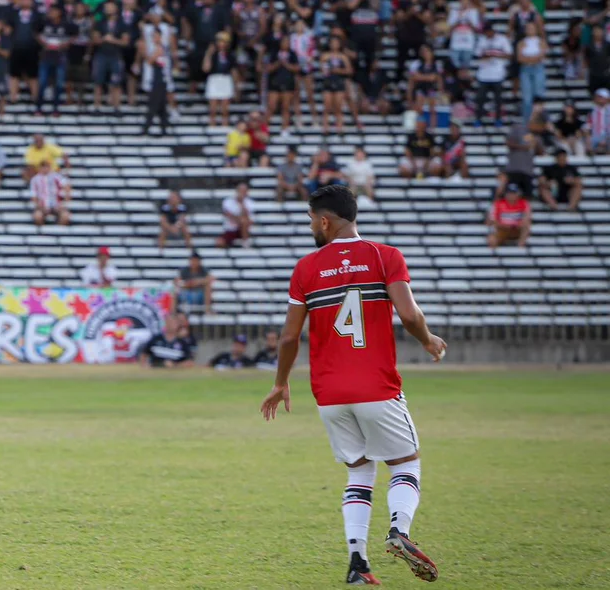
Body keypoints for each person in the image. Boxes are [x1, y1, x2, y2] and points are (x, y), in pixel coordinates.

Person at [261, 183, 445, 585]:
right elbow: (410, 315)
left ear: (325, 221)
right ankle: (399, 530)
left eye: (312, 219)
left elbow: (290, 337)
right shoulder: (385, 256)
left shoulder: (306, 268)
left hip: (329, 394)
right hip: (376, 386)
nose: (311, 225)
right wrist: (428, 340)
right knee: (405, 463)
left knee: (359, 473)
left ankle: (357, 564)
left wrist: (280, 383)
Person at [474, 26, 511, 127]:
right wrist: (488, 55)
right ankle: (478, 119)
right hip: (483, 75)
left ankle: (498, 119)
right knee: (480, 98)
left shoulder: (502, 39)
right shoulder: (482, 40)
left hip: (498, 74)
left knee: (498, 99)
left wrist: (494, 55)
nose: (488, 35)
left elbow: (508, 54)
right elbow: (478, 54)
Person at [487, 183, 532, 248]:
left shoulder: (524, 203)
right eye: (509, 193)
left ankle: (520, 248)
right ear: (505, 194)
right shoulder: (498, 204)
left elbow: (527, 217)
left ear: (518, 194)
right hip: (502, 229)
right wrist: (505, 226)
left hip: (517, 229)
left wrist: (516, 225)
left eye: (514, 193)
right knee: (491, 239)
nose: (511, 195)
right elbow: (493, 220)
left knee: (527, 225)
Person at [29, 160, 70, 226]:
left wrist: (64, 202)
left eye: (46, 167)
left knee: (65, 216)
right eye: (43, 167)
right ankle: (42, 234)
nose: (45, 169)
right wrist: (39, 206)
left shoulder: (56, 176)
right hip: (43, 206)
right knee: (37, 217)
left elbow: (67, 186)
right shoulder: (35, 179)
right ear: (40, 168)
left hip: (56, 204)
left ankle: (59, 231)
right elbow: (33, 195)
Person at [218, 182, 255, 248]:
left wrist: (242, 204)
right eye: (241, 191)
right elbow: (228, 215)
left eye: (244, 191)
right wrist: (239, 219)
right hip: (231, 229)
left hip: (242, 229)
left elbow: (249, 219)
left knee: (244, 222)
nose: (242, 193)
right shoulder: (228, 201)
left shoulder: (249, 202)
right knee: (220, 243)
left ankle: (245, 242)